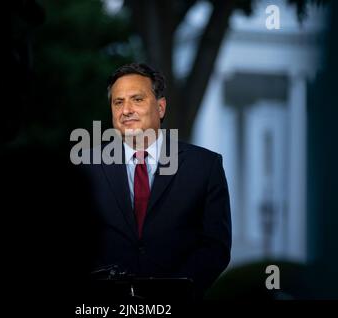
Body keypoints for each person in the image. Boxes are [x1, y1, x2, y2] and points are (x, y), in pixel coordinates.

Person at [83, 62, 232, 300]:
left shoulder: (204, 166)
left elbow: (215, 246)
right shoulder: (87, 168)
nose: (126, 110)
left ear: (160, 108)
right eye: (118, 102)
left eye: (137, 99)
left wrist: (170, 293)